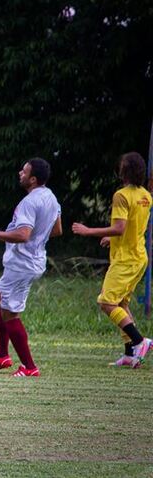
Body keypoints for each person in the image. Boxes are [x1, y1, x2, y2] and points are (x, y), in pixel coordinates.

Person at [0, 158, 62, 377]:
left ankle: (29, 367)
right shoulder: (50, 197)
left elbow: (23, 235)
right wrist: (38, 238)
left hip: (23, 264)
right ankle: (2, 356)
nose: (19, 174)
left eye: (24, 172)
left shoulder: (29, 202)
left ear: (33, 179)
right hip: (28, 261)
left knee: (10, 314)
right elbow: (57, 230)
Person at [72, 152, 152, 367]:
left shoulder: (121, 195)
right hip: (139, 256)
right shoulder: (145, 195)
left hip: (126, 259)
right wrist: (111, 237)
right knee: (122, 303)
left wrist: (88, 231)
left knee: (106, 302)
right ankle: (129, 354)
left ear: (123, 170)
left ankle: (139, 340)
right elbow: (132, 227)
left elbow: (119, 227)